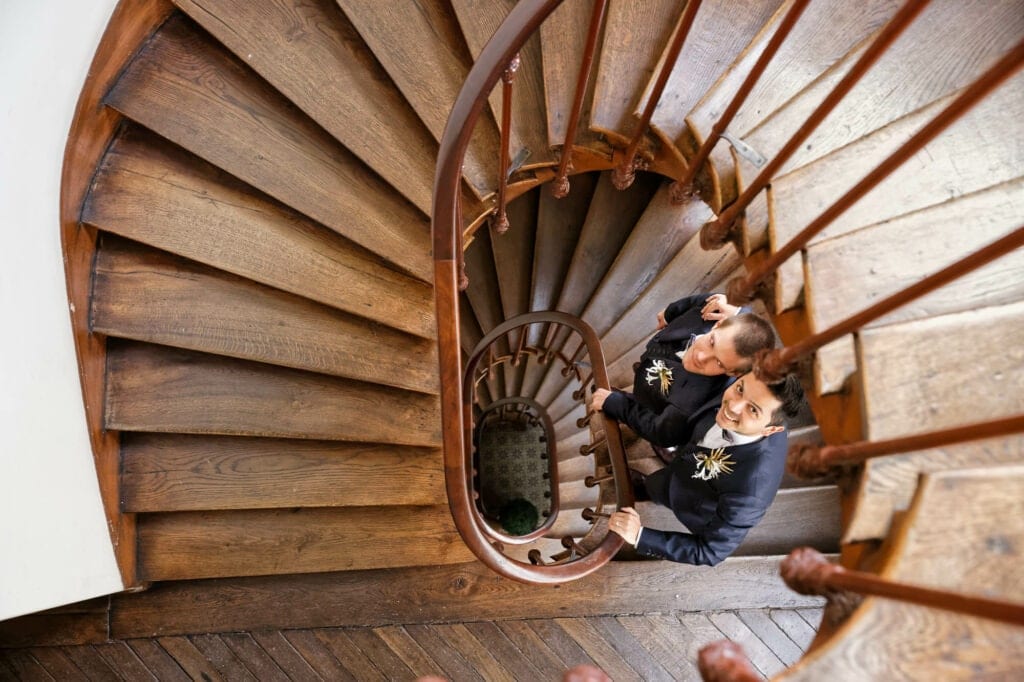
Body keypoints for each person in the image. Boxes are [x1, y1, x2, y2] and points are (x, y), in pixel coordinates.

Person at [606, 372, 804, 566]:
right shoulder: (728, 386)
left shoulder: (749, 494)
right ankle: (655, 481)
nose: (733, 406)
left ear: (770, 430)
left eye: (753, 410)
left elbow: (711, 551)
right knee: (659, 481)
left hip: (694, 499)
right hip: (689, 456)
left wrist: (640, 536)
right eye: (740, 388)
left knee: (667, 490)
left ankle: (654, 489)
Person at [590, 293, 775, 448]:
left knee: (641, 404)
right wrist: (671, 313)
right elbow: (700, 301)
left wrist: (616, 404)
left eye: (719, 363)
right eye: (712, 342)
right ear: (718, 325)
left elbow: (661, 433)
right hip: (652, 364)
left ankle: (626, 399)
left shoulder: (688, 405)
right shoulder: (715, 311)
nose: (701, 357)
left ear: (733, 373)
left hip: (654, 401)